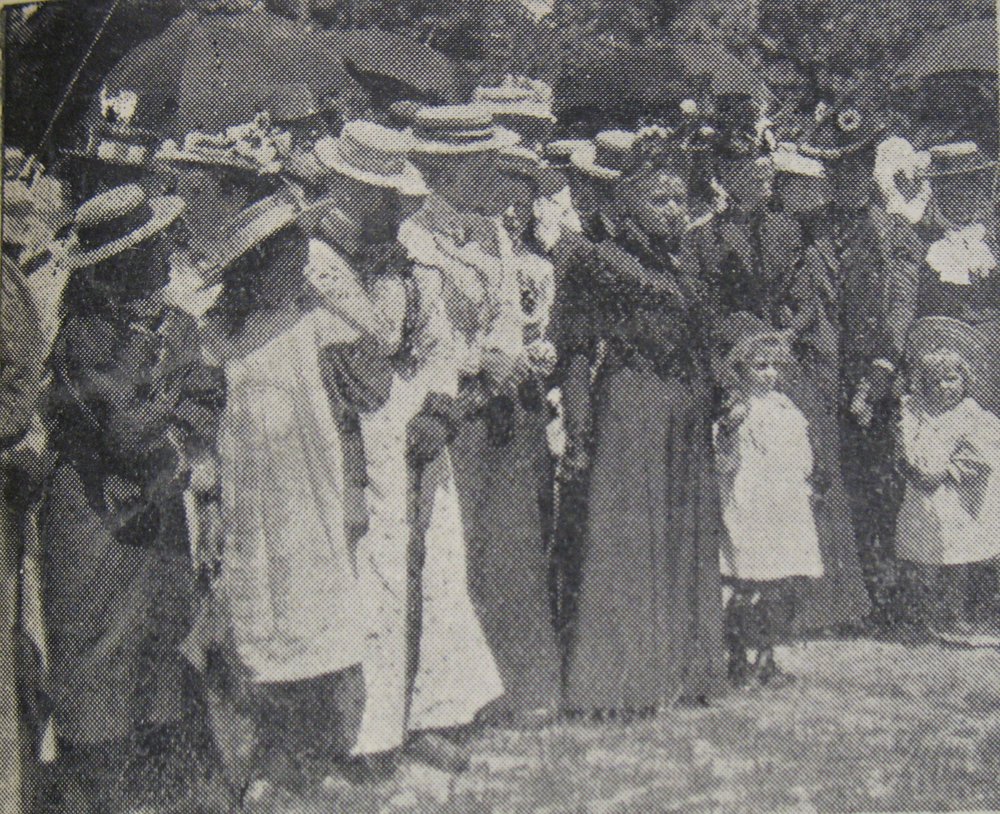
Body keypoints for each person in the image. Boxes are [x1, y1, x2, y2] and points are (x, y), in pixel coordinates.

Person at [304, 121, 504, 773]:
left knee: (437, 571)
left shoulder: (413, 264)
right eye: (370, 195)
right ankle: (363, 734)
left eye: (393, 197)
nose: (386, 209)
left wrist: (440, 409)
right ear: (342, 189)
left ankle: (428, 714)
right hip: (344, 435)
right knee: (368, 580)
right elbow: (338, 362)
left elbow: (437, 344)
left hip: (414, 430)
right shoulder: (313, 264)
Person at [41, 185, 226, 813]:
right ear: (124, 262)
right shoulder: (85, 340)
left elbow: (207, 402)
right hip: (96, 518)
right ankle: (101, 797)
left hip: (154, 509)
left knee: (161, 634)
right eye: (153, 248)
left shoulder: (169, 326)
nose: (168, 254)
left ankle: (154, 791)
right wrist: (177, 398)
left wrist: (176, 405)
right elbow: (126, 432)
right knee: (100, 649)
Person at [402, 105, 561, 728]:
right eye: (476, 169)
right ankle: (437, 706)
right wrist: (477, 363)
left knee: (505, 545)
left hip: (496, 405)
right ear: (442, 169)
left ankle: (512, 687)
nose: (488, 181)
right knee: (447, 553)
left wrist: (505, 354)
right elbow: (426, 335)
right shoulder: (415, 236)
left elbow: (505, 315)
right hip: (442, 408)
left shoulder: (488, 231)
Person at [557, 129, 725, 716]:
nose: (674, 211)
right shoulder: (595, 258)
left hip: (683, 406)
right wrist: (578, 432)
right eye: (660, 200)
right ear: (626, 201)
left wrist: (715, 393)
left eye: (680, 200)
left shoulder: (682, 262)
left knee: (680, 534)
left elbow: (700, 340)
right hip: (631, 405)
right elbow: (575, 350)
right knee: (628, 537)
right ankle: (618, 684)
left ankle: (678, 670)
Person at [798, 100, 916, 624]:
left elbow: (901, 310)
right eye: (836, 169)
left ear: (871, 170)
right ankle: (836, 596)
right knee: (828, 478)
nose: (845, 178)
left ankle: (884, 593)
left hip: (873, 375)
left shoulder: (894, 236)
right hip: (821, 373)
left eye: (855, 167)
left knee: (876, 481)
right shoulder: (810, 231)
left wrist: (879, 375)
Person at [766, 149, 872, 633]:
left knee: (820, 475)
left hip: (813, 364)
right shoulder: (777, 236)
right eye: (791, 186)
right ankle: (788, 601)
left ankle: (828, 602)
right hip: (784, 363)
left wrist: (792, 331)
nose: (802, 196)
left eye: (809, 187)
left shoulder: (819, 244)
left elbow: (818, 308)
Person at [712, 313, 823, 686]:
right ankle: (738, 656)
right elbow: (724, 462)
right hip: (750, 503)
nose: (770, 374)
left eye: (776, 366)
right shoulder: (736, 411)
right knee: (747, 581)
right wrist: (727, 431)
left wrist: (802, 483)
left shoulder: (785, 407)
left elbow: (802, 456)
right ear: (741, 369)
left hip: (784, 503)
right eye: (761, 367)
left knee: (781, 582)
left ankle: (767, 655)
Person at [895, 317, 1000, 644]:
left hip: (958, 498)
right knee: (924, 557)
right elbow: (903, 446)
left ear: (965, 380)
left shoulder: (973, 416)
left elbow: (980, 456)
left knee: (957, 557)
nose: (945, 387)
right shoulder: (913, 412)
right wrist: (912, 468)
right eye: (936, 381)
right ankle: (921, 616)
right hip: (923, 498)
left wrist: (945, 472)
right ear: (923, 384)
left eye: (952, 379)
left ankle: (957, 614)